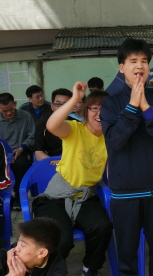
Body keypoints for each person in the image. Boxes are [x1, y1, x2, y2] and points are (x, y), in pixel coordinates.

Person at [101, 38, 153, 276]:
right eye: (133, 60)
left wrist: (146, 107)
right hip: (126, 194)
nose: (139, 65)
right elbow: (115, 141)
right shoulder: (110, 104)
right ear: (121, 67)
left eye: (144, 61)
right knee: (127, 256)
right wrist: (133, 106)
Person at [34, 82, 112, 276]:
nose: (99, 113)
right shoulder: (75, 129)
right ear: (86, 111)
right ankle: (51, 271)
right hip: (56, 198)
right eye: (94, 109)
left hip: (86, 197)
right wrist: (76, 99)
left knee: (102, 227)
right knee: (61, 239)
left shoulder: (111, 138)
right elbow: (52, 125)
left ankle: (89, 267)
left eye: (105, 109)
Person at [0, 92, 35, 211]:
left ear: (15, 104)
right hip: (2, 153)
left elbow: (32, 136)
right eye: (4, 111)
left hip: (21, 150)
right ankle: (3, 197)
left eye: (11, 109)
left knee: (19, 165)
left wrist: (21, 149)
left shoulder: (26, 116)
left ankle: (19, 197)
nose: (9, 113)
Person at [0, 218, 66, 276]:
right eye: (18, 241)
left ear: (42, 253)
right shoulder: (6, 256)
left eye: (23, 245)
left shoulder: (57, 269)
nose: (16, 248)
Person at [33, 88, 73, 163]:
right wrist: (55, 162)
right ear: (52, 106)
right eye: (58, 104)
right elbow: (39, 153)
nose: (61, 108)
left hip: (72, 163)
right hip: (50, 162)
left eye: (66, 105)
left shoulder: (78, 125)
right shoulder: (42, 126)